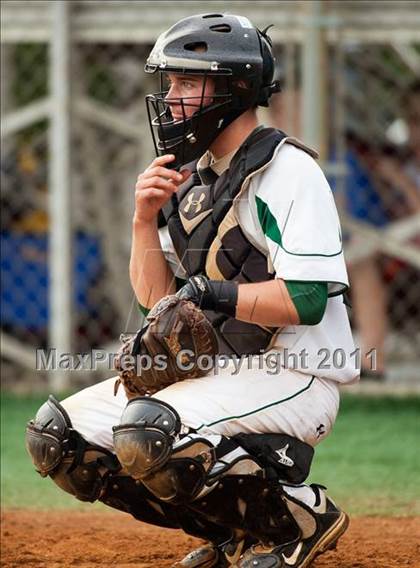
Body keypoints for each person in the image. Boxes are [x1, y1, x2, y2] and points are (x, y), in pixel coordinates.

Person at [25, 14, 359, 568]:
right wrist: (142, 219)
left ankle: (297, 520)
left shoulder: (288, 171)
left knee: (146, 432)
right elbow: (157, 304)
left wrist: (211, 293)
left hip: (297, 375)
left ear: (233, 88)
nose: (171, 97)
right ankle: (237, 531)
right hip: (220, 375)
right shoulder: (194, 176)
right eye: (171, 83)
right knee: (60, 439)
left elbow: (306, 300)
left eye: (186, 82)